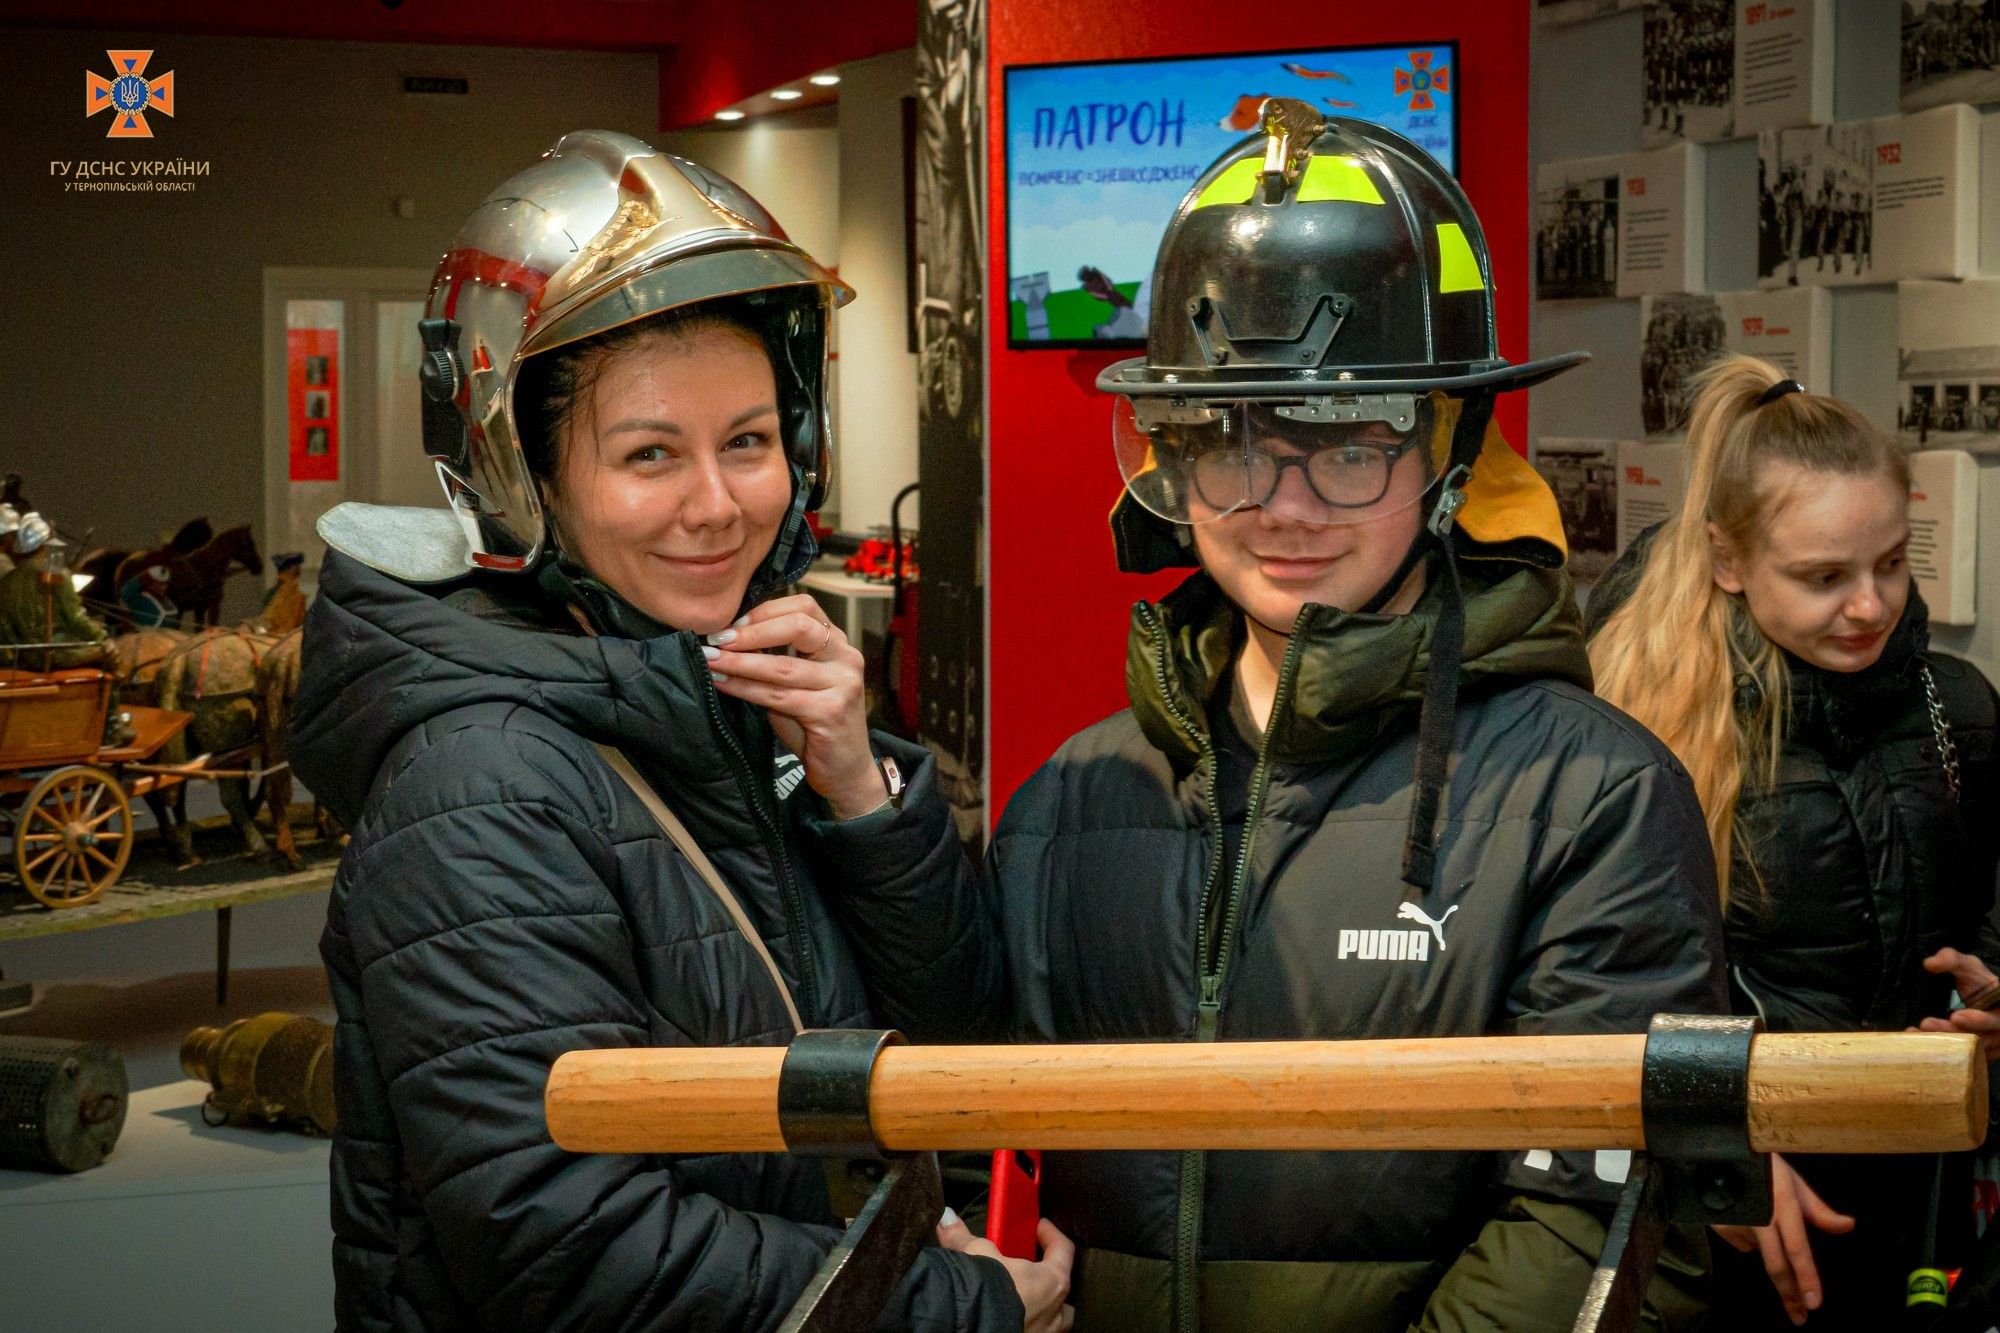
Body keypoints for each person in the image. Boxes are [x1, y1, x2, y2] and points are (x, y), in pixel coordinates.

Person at [290, 132, 1070, 1333]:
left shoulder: (727, 696)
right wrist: (953, 1307)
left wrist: (861, 792)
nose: (718, 505)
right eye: (649, 454)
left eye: (748, 442)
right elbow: (559, 1243)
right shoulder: (483, 783)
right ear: (524, 473)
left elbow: (957, 1047)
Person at [980, 103, 1725, 1332]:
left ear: (1445, 443)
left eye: (1344, 441)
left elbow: (1596, 1218)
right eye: (1225, 442)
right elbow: (979, 1127)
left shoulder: (1590, 797)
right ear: (1165, 463)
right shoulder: (1069, 797)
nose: (1283, 504)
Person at [1587, 356, 2000, 1331]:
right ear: (1728, 559)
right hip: (1709, 1216)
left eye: (1890, 562)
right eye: (1821, 577)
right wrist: (1711, 1148)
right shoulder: (1636, 719)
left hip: (1911, 1198)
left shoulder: (1957, 705)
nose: (1867, 605)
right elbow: (1593, 988)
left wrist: (1989, 996)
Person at [0, 513, 108, 665]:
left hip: (27, 656)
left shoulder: (7, 581)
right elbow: (75, 618)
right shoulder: (57, 574)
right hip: (56, 654)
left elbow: (4, 625)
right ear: (44, 544)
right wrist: (101, 637)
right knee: (109, 650)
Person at [256, 551, 305, 633]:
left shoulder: (297, 594)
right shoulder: (278, 592)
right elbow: (268, 617)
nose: (298, 568)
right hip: (275, 635)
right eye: (294, 565)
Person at [119, 563, 178, 629]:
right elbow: (126, 590)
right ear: (150, 583)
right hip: (145, 637)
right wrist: (145, 574)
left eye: (166, 584)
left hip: (168, 637)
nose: (164, 587)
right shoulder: (138, 599)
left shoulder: (168, 601)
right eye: (160, 583)